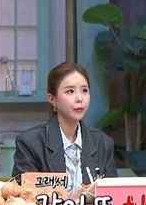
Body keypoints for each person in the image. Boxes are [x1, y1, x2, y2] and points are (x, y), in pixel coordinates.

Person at [12, 61, 118, 195]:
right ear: (52, 99)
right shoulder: (31, 143)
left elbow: (113, 196)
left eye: (84, 90)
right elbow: (23, 199)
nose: (80, 98)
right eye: (70, 91)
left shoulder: (103, 143)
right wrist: (71, 199)